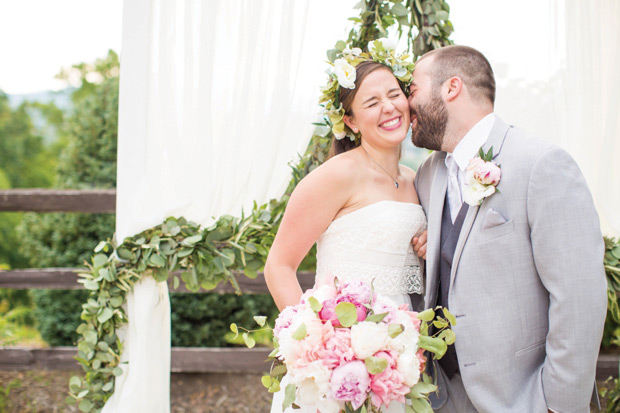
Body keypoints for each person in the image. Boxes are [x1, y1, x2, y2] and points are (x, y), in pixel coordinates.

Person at [409, 45, 607, 413]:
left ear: (451, 88)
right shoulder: (427, 174)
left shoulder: (541, 164)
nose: (407, 105)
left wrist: (556, 405)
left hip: (522, 398)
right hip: (441, 398)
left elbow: (579, 297)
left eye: (413, 90)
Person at [265, 58, 426, 412]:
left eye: (394, 94)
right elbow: (279, 265)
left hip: (396, 362)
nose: (389, 107)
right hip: (338, 365)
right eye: (371, 102)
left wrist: (429, 241)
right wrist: (316, 347)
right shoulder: (336, 176)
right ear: (350, 121)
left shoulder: (417, 180)